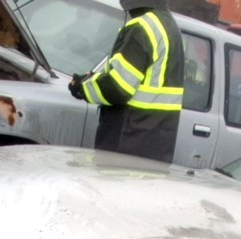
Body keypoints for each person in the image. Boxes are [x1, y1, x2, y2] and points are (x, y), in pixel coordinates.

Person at [68, 0, 184, 163]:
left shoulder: (143, 27)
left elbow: (119, 87)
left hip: (127, 141)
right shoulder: (168, 26)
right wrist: (95, 78)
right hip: (153, 148)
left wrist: (82, 88)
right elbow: (140, 79)